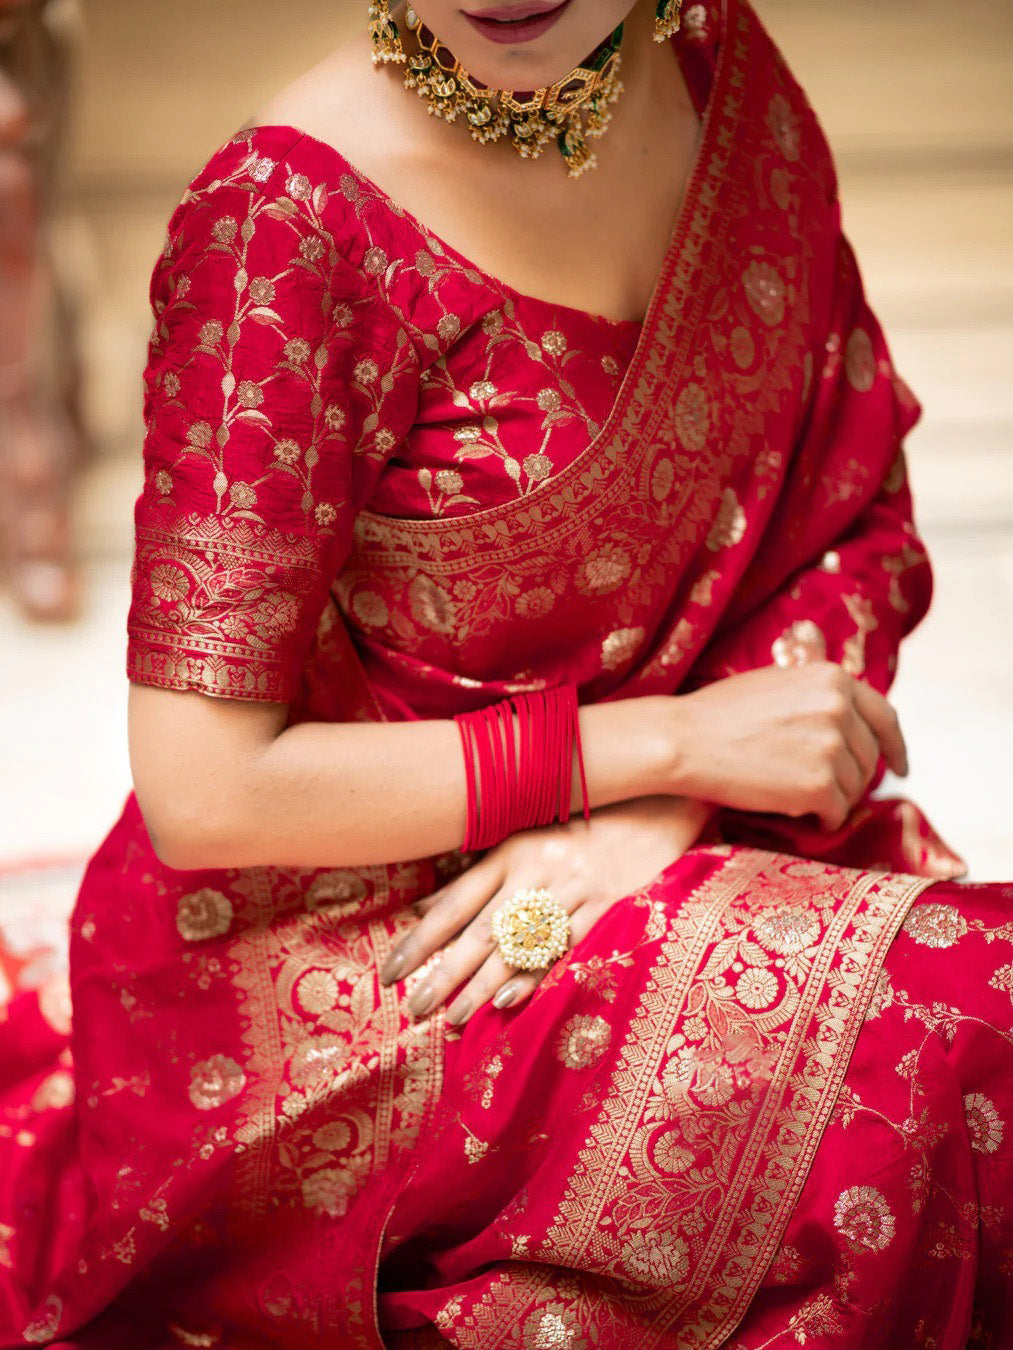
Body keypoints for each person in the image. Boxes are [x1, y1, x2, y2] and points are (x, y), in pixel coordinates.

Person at [1, 0, 1010, 1344]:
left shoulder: (713, 72)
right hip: (377, 960)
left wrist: (647, 818)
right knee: (961, 1030)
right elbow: (206, 789)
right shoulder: (283, 227)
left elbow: (839, 503)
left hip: (663, 839)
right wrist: (662, 749)